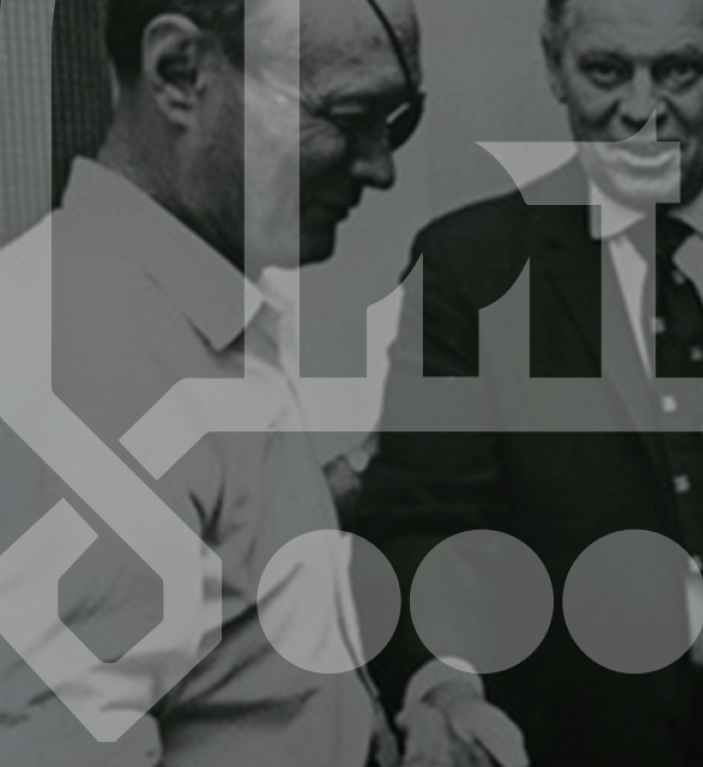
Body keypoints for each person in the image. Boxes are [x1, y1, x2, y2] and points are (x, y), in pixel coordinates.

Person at [0, 0, 440, 765]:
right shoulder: (91, 362)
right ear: (180, 73)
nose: (381, 168)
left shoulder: (178, 311)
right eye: (350, 117)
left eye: (397, 124)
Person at [359, 0, 703, 765]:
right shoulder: (473, 271)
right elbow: (420, 524)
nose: (641, 109)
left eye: (678, 69)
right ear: (554, 67)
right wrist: (446, 689)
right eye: (605, 71)